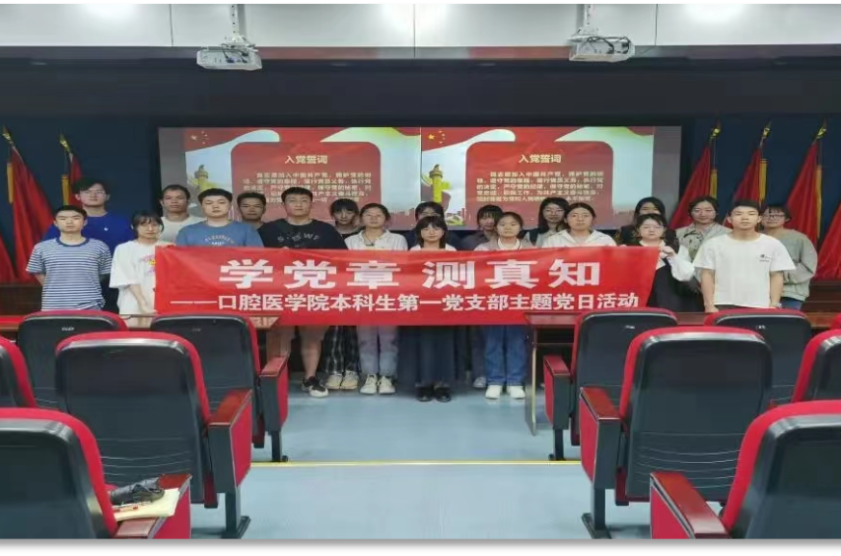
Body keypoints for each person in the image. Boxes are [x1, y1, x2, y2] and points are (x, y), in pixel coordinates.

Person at [259, 187, 347, 398]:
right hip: (279, 291)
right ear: (283, 205)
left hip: (315, 291)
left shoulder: (326, 231)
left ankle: (310, 378)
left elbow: (342, 260)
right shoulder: (268, 230)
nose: (298, 204)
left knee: (312, 337)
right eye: (292, 200)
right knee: (281, 338)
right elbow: (255, 260)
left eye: (303, 200)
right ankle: (277, 381)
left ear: (311, 204)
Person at [43, 178, 133, 313]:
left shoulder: (121, 222)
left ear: (107, 196)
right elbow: (47, 255)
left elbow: (132, 251)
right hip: (76, 285)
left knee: (113, 321)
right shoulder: (67, 223)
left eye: (99, 192)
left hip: (116, 282)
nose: (93, 195)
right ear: (77, 196)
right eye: (87, 192)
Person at [346, 203, 408, 395]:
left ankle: (387, 376)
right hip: (361, 294)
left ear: (387, 219)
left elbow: (403, 266)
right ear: (360, 218)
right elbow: (344, 268)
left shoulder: (398, 240)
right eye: (368, 214)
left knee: (389, 338)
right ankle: (370, 376)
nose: (373, 218)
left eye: (378, 215)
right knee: (365, 338)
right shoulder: (350, 241)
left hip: (389, 294)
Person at [695, 200, 795, 312]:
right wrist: (709, 305)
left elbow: (776, 275)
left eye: (751, 214)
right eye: (738, 214)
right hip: (722, 303)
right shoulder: (713, 244)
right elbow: (707, 275)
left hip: (761, 304)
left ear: (759, 219)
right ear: (729, 219)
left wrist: (774, 304)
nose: (745, 218)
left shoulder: (773, 244)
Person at [475, 212, 532, 400]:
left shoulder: (532, 249)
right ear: (496, 227)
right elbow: (475, 275)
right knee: (493, 342)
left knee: (517, 342)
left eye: (513, 224)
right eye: (503, 224)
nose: (508, 227)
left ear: (520, 228)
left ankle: (515, 382)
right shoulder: (483, 249)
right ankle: (495, 381)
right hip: (492, 302)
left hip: (520, 303)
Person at [403, 216, 458, 402]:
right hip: (420, 303)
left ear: (444, 231)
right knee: (423, 343)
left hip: (446, 303)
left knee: (445, 343)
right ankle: (424, 384)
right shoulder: (413, 251)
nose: (431, 232)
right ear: (419, 233)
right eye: (426, 229)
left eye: (436, 228)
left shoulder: (451, 251)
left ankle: (443, 384)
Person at [27, 205, 112, 311]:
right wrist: (54, 287)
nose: (69, 222)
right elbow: (37, 271)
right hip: (53, 306)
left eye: (76, 218)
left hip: (90, 305)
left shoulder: (99, 246)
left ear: (85, 222)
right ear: (55, 223)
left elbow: (104, 273)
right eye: (63, 218)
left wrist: (86, 283)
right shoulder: (41, 248)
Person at [322, 198, 363, 391]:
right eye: (339, 212)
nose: (344, 216)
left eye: (349, 211)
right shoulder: (326, 233)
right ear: (333, 214)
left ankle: (352, 370)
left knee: (354, 332)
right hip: (332, 287)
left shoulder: (361, 236)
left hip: (358, 288)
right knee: (334, 330)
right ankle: (334, 370)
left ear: (356, 214)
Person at [460, 204, 503, 390]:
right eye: (485, 217)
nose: (489, 221)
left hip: (504, 294)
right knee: (477, 337)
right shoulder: (468, 241)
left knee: (502, 337)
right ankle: (480, 374)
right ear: (478, 221)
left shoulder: (514, 241)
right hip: (477, 293)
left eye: (493, 217)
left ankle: (502, 375)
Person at [110, 211, 170, 316]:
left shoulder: (168, 247)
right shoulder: (124, 249)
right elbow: (127, 277)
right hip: (132, 301)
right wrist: (142, 303)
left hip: (164, 301)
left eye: (154, 225)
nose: (150, 229)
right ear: (134, 227)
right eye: (144, 225)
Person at [633, 213, 697, 312]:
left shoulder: (678, 249)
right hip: (639, 301)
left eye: (657, 227)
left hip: (672, 302)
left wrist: (673, 256)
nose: (651, 230)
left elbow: (686, 275)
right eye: (646, 227)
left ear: (664, 230)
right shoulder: (629, 250)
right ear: (638, 230)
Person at [761, 204, 818, 310]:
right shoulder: (754, 238)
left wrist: (779, 276)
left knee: (786, 320)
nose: (771, 218)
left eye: (777, 215)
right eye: (767, 215)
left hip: (789, 292)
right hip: (758, 292)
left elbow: (808, 266)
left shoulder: (800, 239)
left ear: (786, 218)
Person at [175, 188, 263, 247]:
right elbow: (179, 260)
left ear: (230, 206)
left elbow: (257, 257)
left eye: (221, 202)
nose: (215, 206)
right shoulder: (187, 232)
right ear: (202, 207)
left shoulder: (246, 230)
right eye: (209, 203)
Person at [675, 196, 730, 261]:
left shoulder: (728, 233)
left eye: (708, 210)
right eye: (697, 210)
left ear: (716, 212)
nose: (703, 214)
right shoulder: (678, 233)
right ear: (690, 213)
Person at [542, 202, 616, 248]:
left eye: (585, 215)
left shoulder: (605, 240)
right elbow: (544, 263)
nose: (580, 219)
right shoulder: (553, 240)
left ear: (593, 219)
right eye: (574, 215)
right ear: (565, 219)